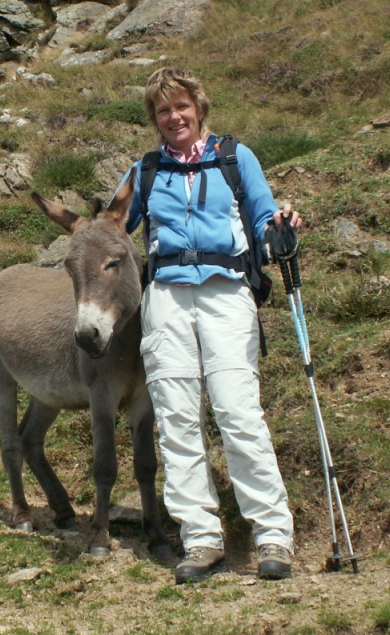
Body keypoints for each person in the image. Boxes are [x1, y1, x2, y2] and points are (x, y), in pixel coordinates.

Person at [116, 67, 301, 584]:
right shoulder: (145, 170)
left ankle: (272, 536)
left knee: (237, 411)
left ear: (199, 108)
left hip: (226, 291)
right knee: (176, 417)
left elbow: (264, 222)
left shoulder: (235, 158)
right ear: (154, 119)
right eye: (162, 111)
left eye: (181, 107)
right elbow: (111, 225)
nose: (174, 117)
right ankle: (200, 539)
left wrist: (282, 230)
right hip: (167, 297)